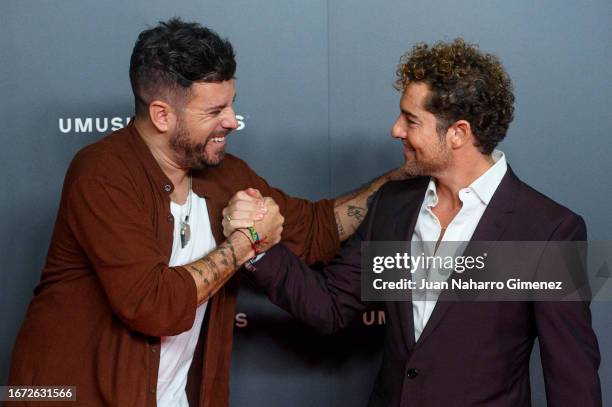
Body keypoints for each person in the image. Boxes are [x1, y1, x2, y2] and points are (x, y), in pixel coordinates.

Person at [7, 18, 402, 406]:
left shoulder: (223, 174)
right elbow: (153, 305)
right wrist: (248, 241)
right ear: (162, 115)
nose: (231, 121)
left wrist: (404, 175)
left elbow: (316, 230)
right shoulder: (102, 173)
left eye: (231, 105)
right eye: (214, 111)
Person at [243, 39, 602, 406]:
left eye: (411, 120)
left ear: (459, 133)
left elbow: (572, 378)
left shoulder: (548, 231)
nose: (396, 130)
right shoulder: (394, 205)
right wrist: (256, 244)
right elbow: (332, 307)